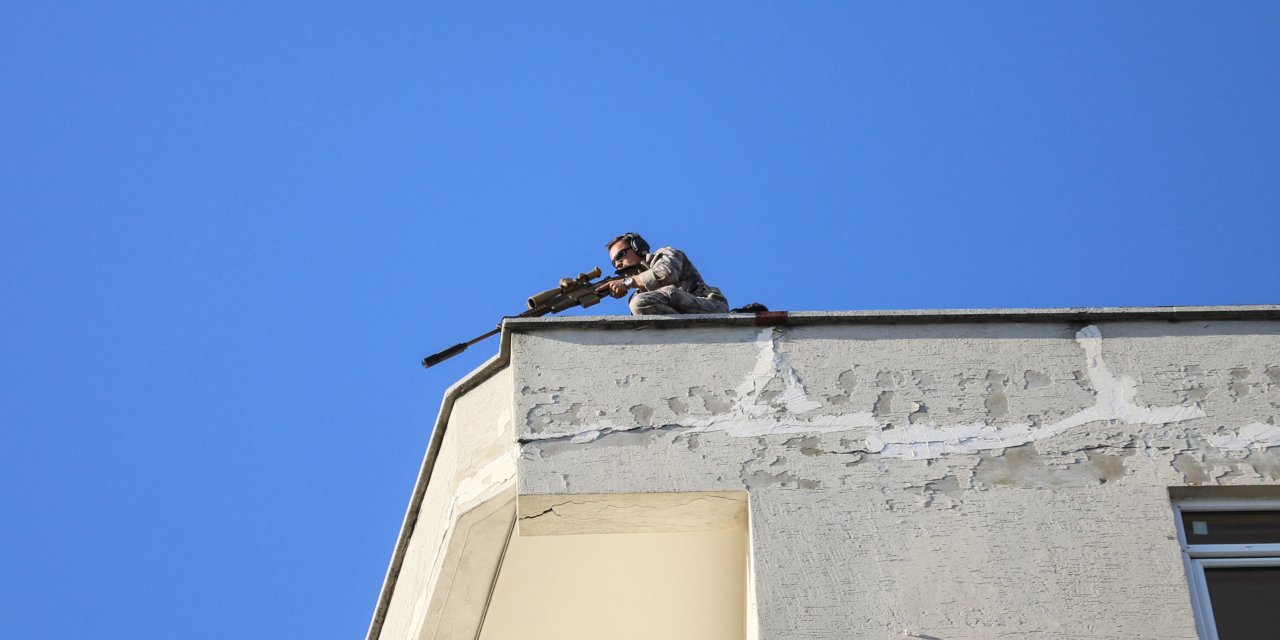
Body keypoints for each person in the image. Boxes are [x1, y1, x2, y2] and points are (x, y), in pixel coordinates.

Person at [595, 232, 729, 315]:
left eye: (620, 256)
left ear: (637, 247)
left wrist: (627, 283)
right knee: (636, 304)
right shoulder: (640, 291)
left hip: (710, 307)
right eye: (614, 263)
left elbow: (665, 274)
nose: (618, 264)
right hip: (684, 314)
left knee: (639, 302)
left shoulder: (665, 254)